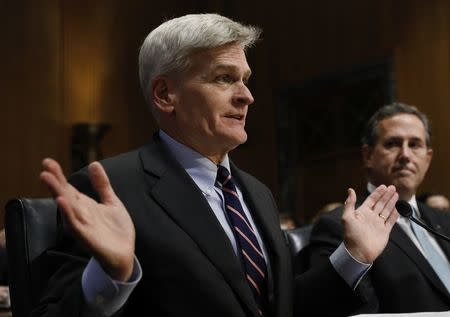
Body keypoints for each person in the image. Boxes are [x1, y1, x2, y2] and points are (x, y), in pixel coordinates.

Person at [37, 14, 399, 317]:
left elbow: (282, 308)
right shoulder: (112, 188)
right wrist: (112, 275)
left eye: (245, 80)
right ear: (166, 95)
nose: (247, 96)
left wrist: (353, 257)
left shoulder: (257, 193)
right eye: (224, 78)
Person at [309, 102, 450, 314]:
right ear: (368, 156)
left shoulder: (444, 220)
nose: (405, 155)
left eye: (415, 144)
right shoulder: (339, 225)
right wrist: (355, 255)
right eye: (393, 143)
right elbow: (329, 307)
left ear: (427, 158)